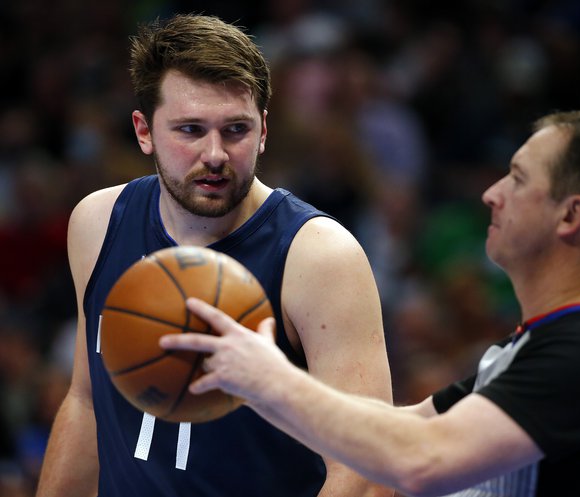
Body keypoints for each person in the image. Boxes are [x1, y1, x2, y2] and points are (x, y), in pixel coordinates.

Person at [161, 110, 580, 496]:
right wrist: (244, 376)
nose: (491, 193)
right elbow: (402, 426)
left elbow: (419, 459)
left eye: (518, 178)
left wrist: (270, 375)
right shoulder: (546, 344)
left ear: (572, 214)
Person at [36, 14, 393, 497]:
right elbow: (85, 402)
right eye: (189, 129)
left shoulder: (320, 257)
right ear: (144, 131)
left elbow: (365, 471)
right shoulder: (98, 222)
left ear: (264, 130)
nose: (215, 154)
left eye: (235, 130)